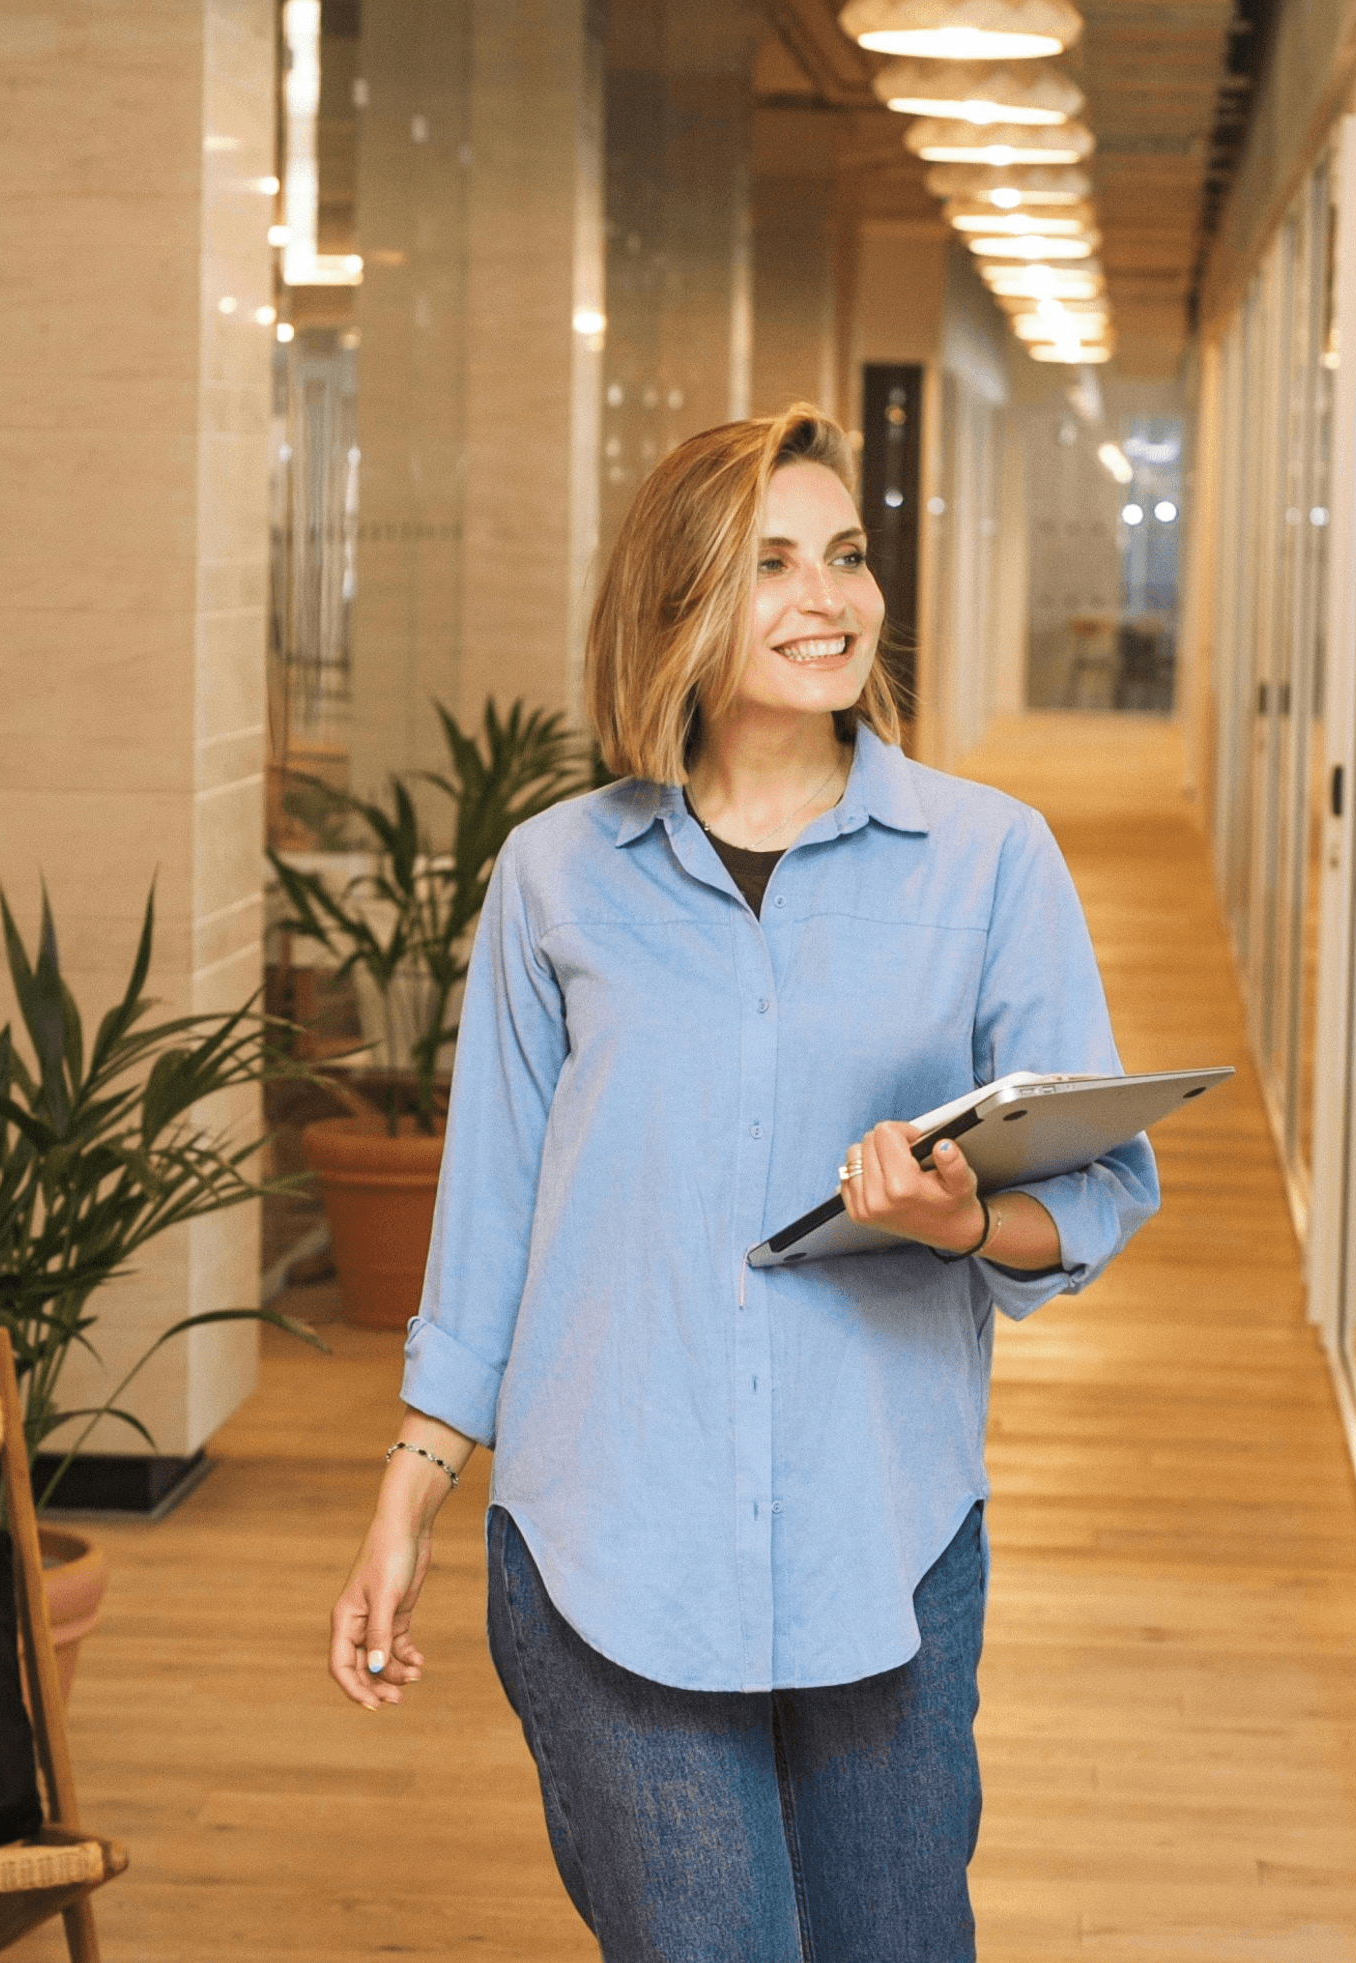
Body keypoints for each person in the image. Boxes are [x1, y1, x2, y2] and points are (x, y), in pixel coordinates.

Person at [328, 404, 1159, 1961]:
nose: (828, 598)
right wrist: (413, 1486)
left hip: (885, 1543)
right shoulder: (556, 877)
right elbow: (493, 1205)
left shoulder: (989, 862)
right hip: (606, 1545)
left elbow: (1100, 1191)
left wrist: (960, 1216)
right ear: (680, 602)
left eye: (845, 556)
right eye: (771, 563)